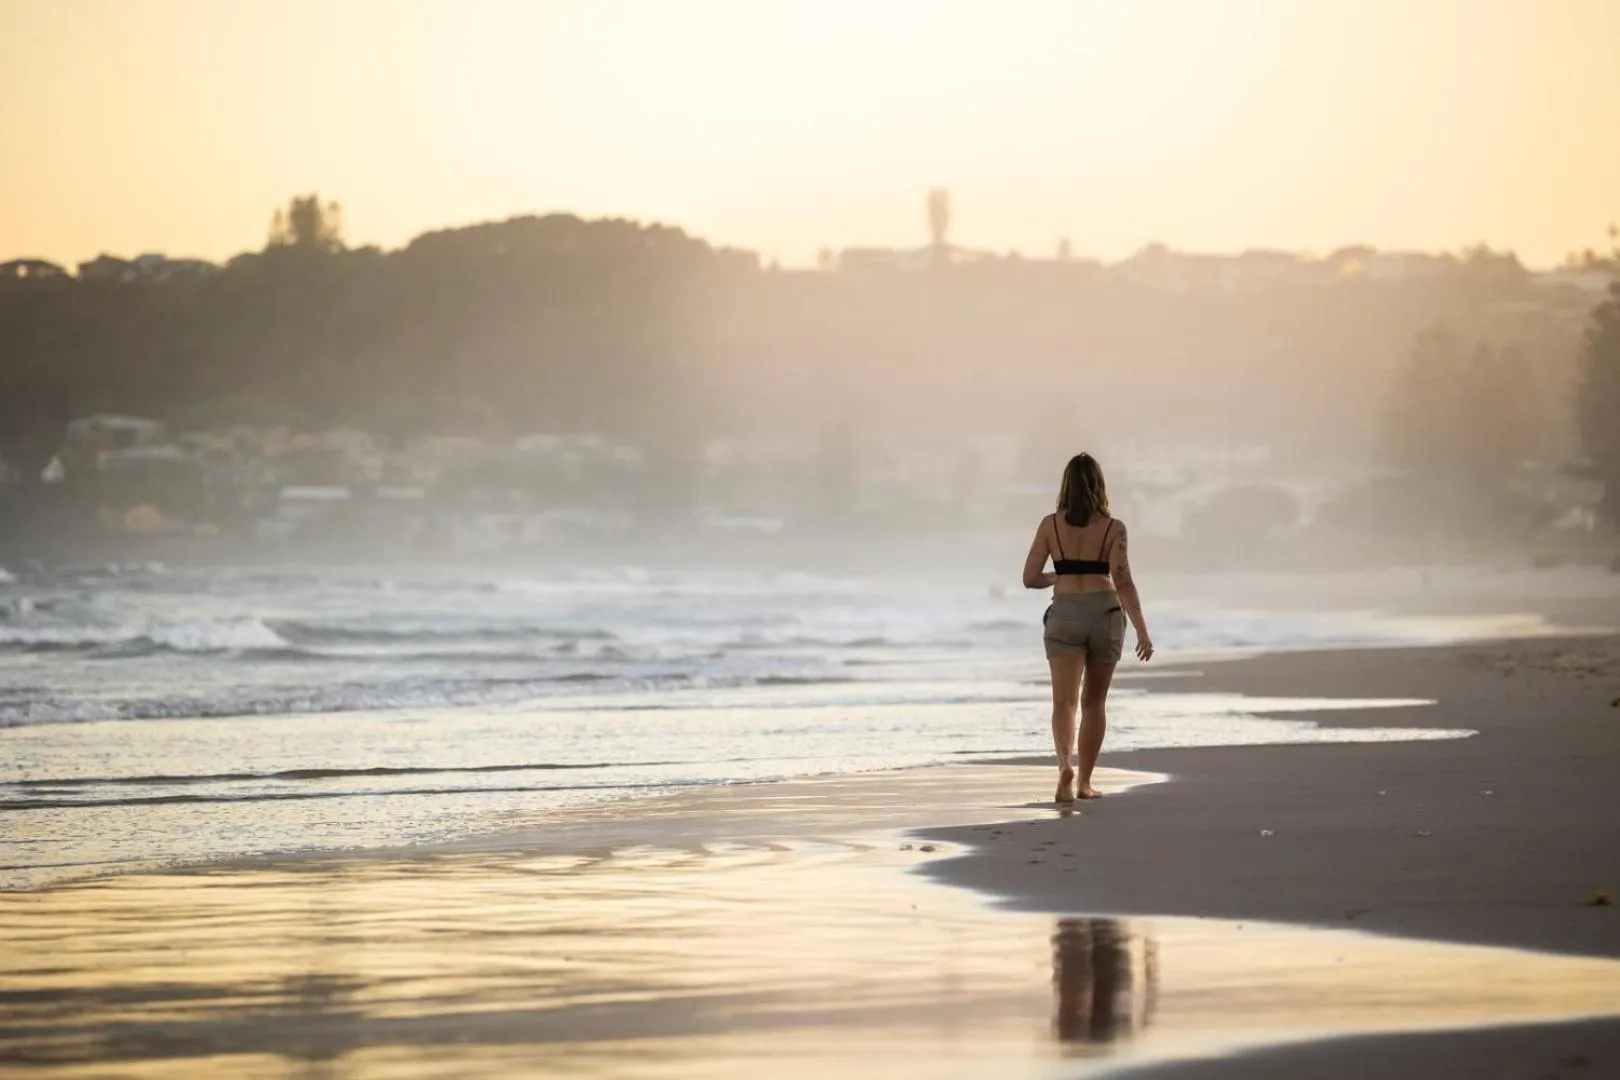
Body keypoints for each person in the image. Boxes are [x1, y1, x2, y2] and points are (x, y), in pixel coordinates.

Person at [1022, 453, 1152, 802]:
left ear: (1065, 485)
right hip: (1104, 613)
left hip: (1065, 612)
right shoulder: (1114, 529)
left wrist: (1060, 576)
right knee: (1094, 702)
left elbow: (1029, 578)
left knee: (1064, 701)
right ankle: (1084, 783)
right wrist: (1142, 630)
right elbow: (1123, 582)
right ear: (1100, 486)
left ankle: (1065, 765)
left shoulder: (1050, 525)